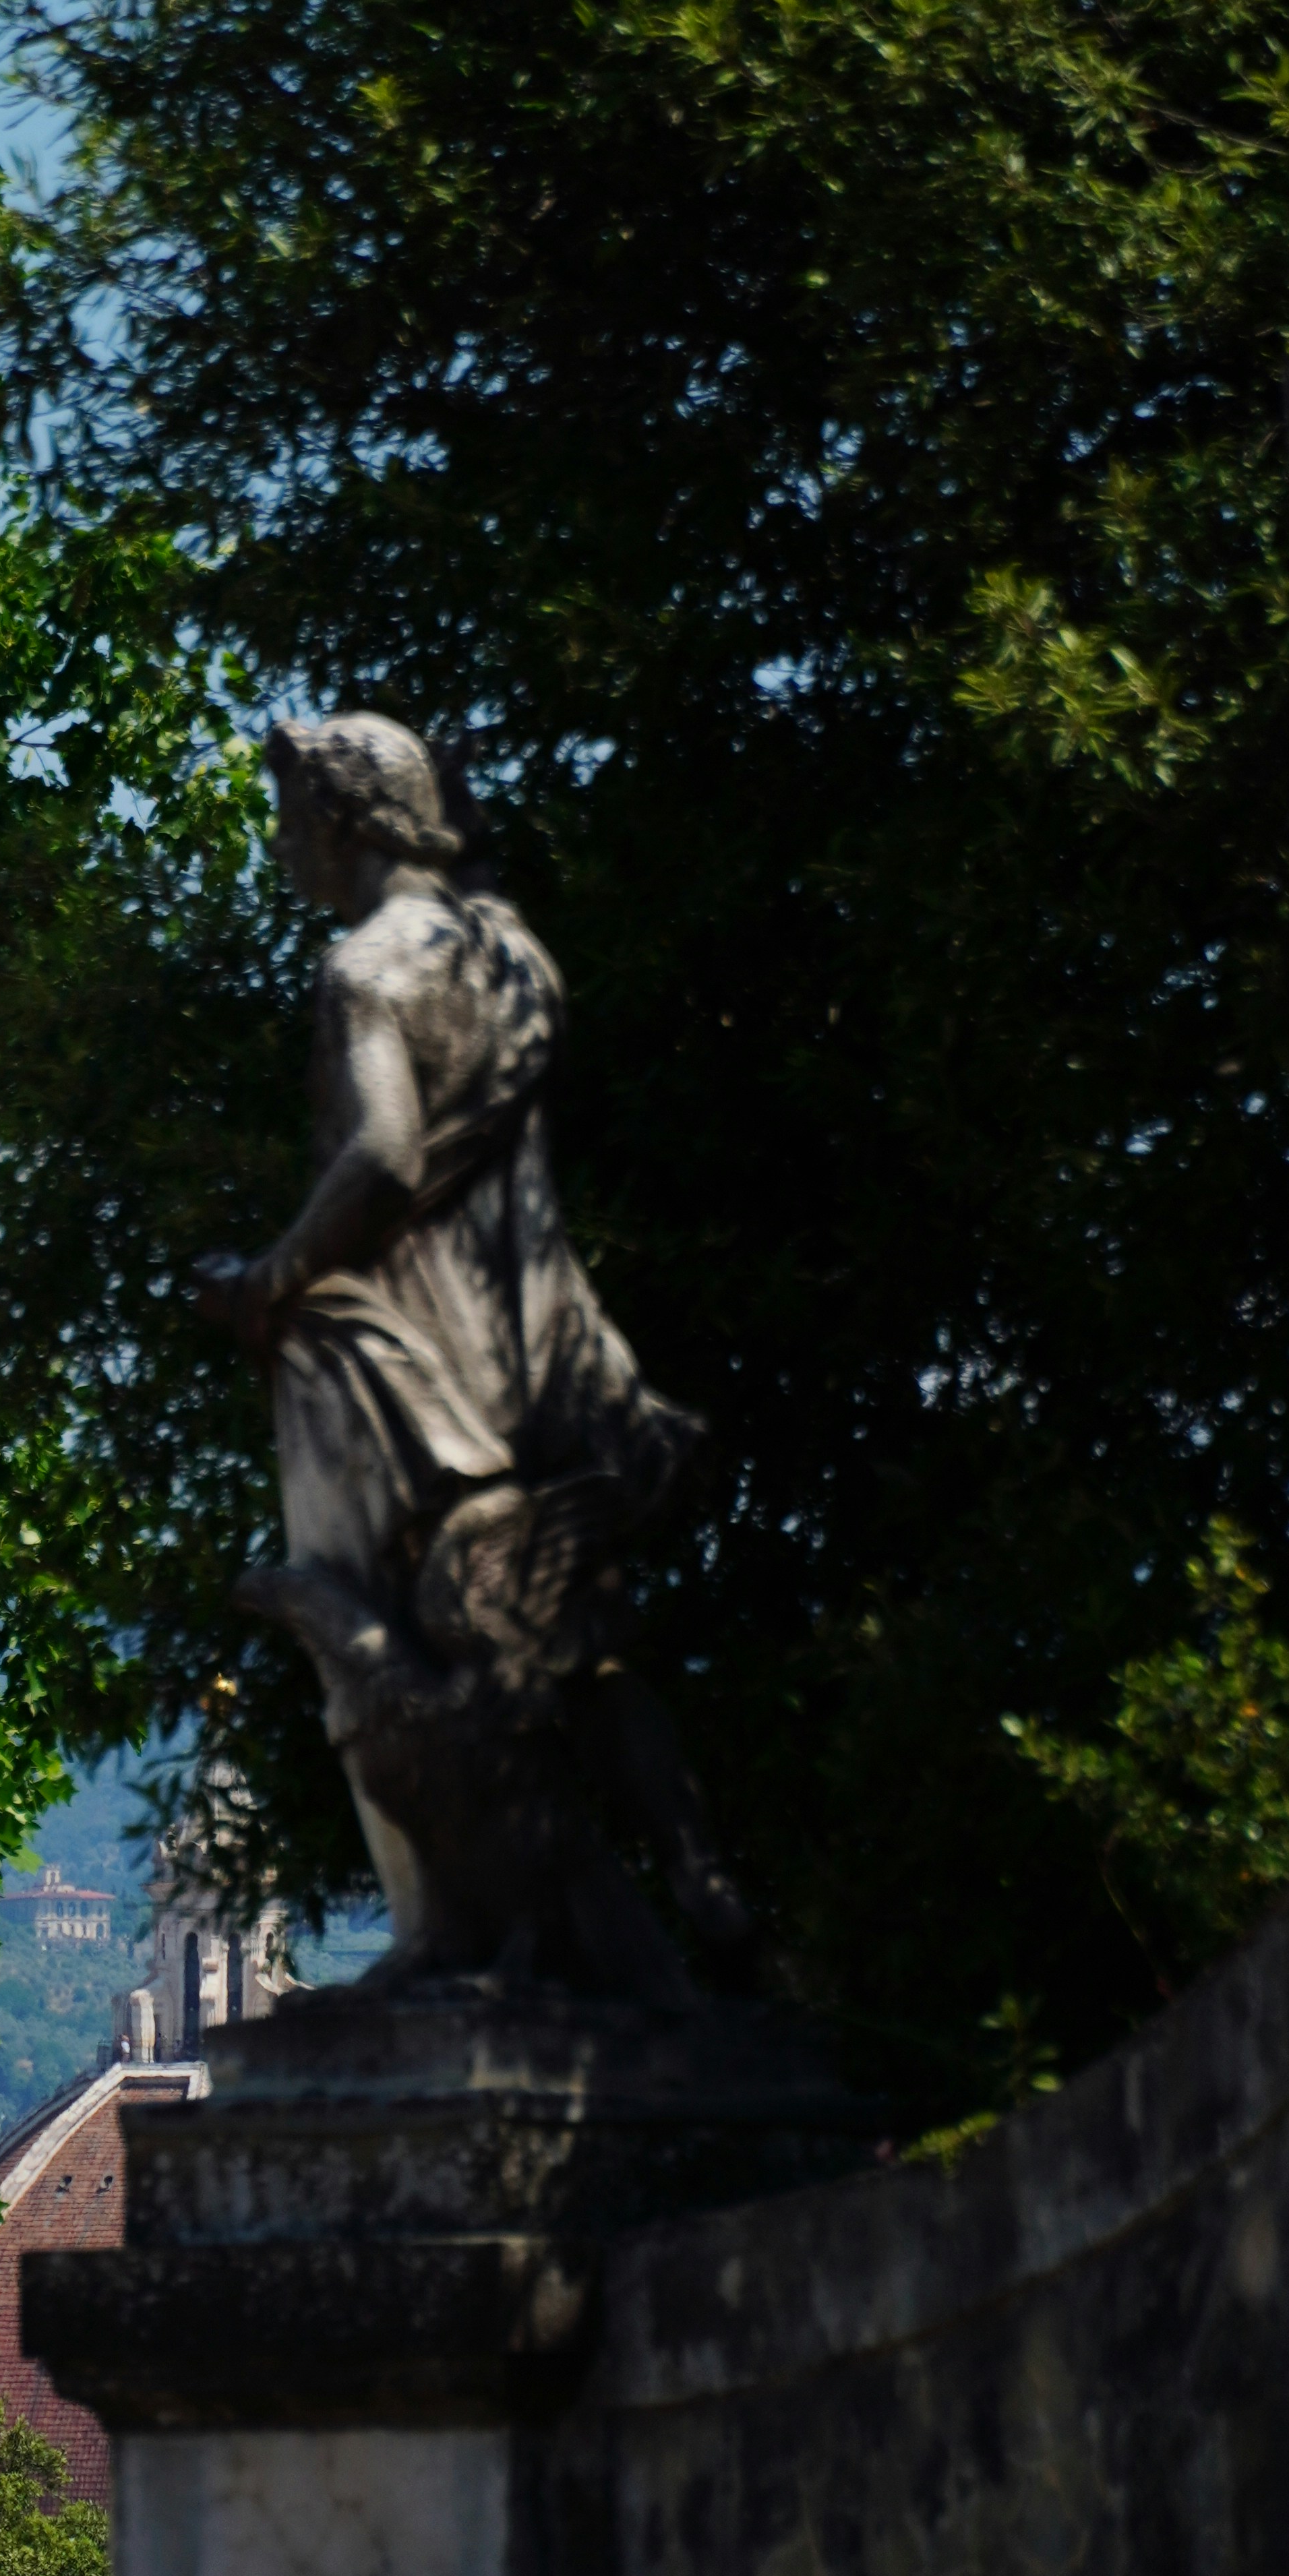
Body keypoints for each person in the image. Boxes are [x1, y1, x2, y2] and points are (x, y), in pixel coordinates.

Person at [194, 710, 756, 1998]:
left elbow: (388, 1156)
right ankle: (693, 1869)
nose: (283, 849)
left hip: (426, 1365)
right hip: (550, 1346)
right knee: (583, 1635)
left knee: (441, 1644)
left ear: (339, 822)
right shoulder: (508, 950)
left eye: (290, 820)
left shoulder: (368, 971)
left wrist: (271, 1278)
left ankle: (466, 1927)